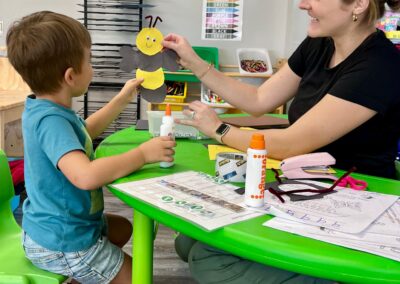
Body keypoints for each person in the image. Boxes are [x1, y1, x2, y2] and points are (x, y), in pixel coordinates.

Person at [162, 0, 400, 283]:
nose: (302, 4)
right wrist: (195, 64)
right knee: (187, 242)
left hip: (353, 198)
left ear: (358, 4)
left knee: (209, 260)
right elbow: (258, 100)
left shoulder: (379, 65)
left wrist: (220, 129)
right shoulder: (319, 44)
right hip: (308, 184)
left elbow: (292, 143)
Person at [6, 11, 175, 284]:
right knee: (137, 276)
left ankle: (86, 274)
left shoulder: (46, 108)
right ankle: (83, 270)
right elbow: (85, 176)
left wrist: (121, 99)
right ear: (71, 76)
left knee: (121, 228)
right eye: (90, 61)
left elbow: (84, 132)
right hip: (62, 242)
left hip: (59, 226)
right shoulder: (50, 121)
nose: (93, 68)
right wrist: (143, 154)